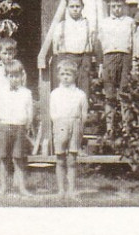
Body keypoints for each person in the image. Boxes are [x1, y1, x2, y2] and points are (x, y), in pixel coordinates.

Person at [97, 0, 135, 140]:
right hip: (109, 58)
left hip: (125, 57)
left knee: (125, 93)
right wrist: (100, 65)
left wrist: (134, 62)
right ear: (109, 7)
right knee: (110, 95)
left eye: (119, 6)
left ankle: (127, 128)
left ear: (124, 6)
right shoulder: (104, 23)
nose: (117, 9)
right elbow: (99, 44)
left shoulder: (129, 22)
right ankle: (110, 128)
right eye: (114, 6)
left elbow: (134, 42)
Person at [50, 58, 88, 197]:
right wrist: (59, 124)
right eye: (63, 74)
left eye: (69, 74)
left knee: (72, 160)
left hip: (75, 125)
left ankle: (71, 190)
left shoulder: (80, 94)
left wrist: (79, 128)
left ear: (75, 75)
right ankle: (61, 190)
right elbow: (52, 113)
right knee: (60, 159)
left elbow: (84, 113)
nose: (65, 77)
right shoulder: (55, 93)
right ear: (58, 75)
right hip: (60, 125)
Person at [0, 60, 33, 196]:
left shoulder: (26, 93)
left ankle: (22, 188)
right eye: (11, 76)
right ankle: (3, 188)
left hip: (20, 127)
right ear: (6, 77)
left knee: (18, 158)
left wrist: (27, 125)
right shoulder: (1, 92)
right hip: (5, 126)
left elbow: (29, 111)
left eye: (17, 76)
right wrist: (0, 126)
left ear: (22, 76)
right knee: (4, 158)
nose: (14, 79)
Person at [51, 0, 94, 97]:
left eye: (77, 6)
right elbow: (56, 48)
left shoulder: (87, 24)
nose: (75, 9)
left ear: (82, 6)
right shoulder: (61, 26)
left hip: (83, 61)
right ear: (67, 7)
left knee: (83, 92)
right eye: (72, 6)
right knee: (66, 91)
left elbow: (91, 43)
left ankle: (82, 113)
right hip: (66, 58)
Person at [0, 36, 18, 186]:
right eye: (4, 53)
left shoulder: (17, 69)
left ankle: (12, 173)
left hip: (12, 109)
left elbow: (21, 88)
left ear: (14, 53)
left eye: (10, 53)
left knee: (12, 141)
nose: (8, 56)